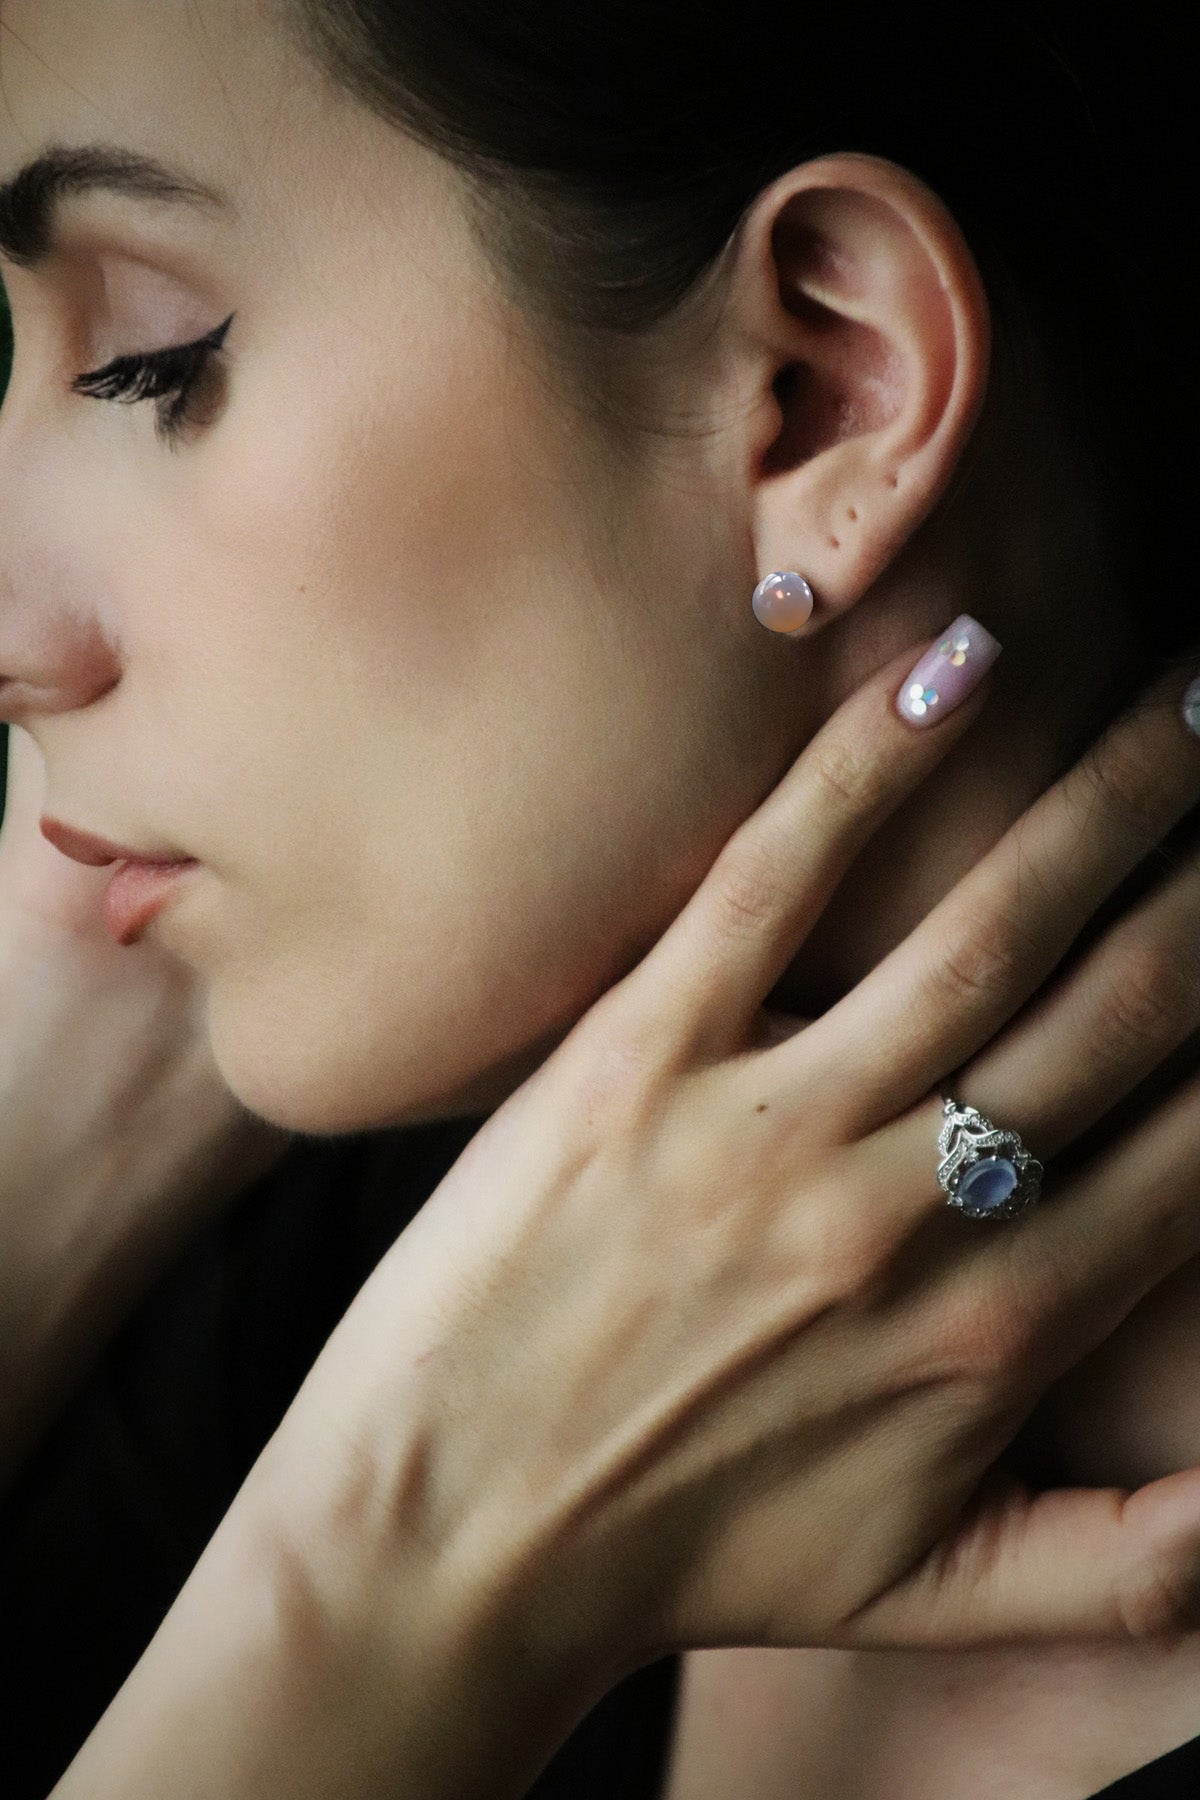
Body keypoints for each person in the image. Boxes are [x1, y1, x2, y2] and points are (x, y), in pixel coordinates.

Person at [0, 1, 1197, 1795]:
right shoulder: (303, 1279)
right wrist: (54, 1146)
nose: (13, 640)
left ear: (827, 387)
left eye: (146, 366)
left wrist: (392, 1586)